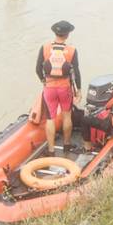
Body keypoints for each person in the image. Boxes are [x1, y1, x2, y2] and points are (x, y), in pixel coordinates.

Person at [36, 20, 82, 155]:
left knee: (50, 118)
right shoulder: (71, 50)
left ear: (55, 33)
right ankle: (67, 145)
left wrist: (43, 81)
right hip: (65, 88)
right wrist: (78, 89)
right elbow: (77, 72)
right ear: (67, 35)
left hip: (49, 88)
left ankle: (51, 150)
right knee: (67, 115)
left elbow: (38, 68)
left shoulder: (44, 48)